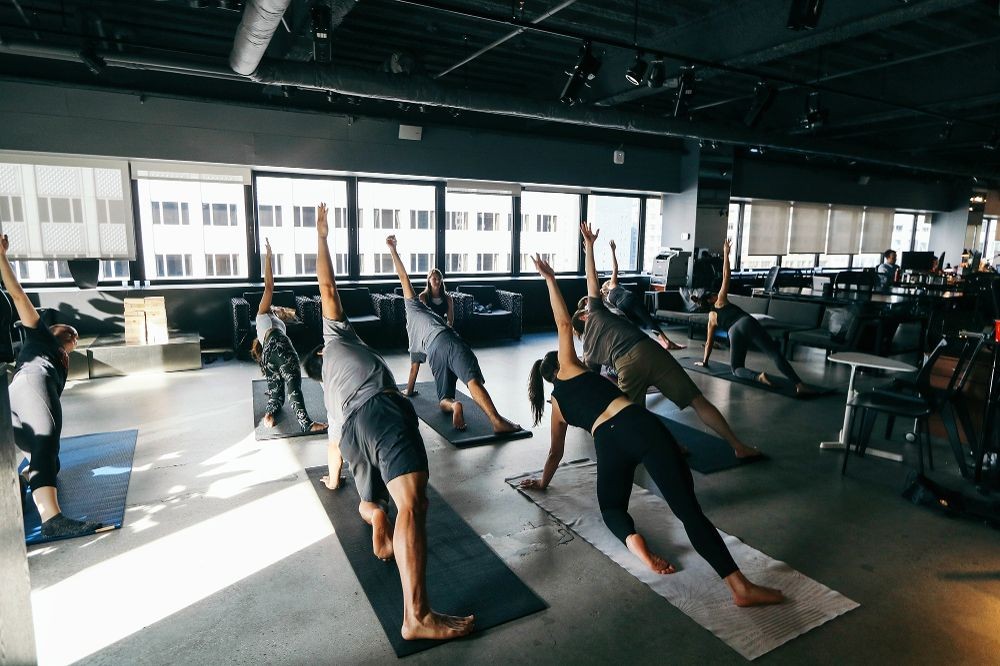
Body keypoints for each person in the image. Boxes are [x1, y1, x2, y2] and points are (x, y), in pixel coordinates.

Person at [522, 245, 783, 608]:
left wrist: (543, 482)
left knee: (612, 509)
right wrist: (550, 279)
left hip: (607, 444)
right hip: (637, 424)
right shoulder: (574, 364)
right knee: (687, 509)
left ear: (546, 381)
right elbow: (564, 323)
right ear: (559, 364)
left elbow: (555, 453)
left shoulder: (556, 404)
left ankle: (638, 549)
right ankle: (739, 587)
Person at [301, 203, 474, 641]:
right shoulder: (334, 339)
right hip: (381, 410)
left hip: (355, 434)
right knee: (414, 504)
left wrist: (333, 482)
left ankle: (377, 521)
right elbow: (327, 287)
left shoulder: (330, 393)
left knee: (383, 503)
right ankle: (416, 617)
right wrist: (322, 237)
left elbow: (337, 448)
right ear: (320, 357)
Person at [573, 226, 759, 459]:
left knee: (634, 416)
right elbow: (592, 278)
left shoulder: (588, 350)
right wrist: (590, 246)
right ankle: (738, 446)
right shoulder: (597, 311)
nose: (586, 306)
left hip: (627, 366)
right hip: (648, 351)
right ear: (583, 316)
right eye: (584, 308)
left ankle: (669, 445)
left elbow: (589, 381)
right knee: (697, 400)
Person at [1, 235, 103, 538]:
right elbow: (18, 295)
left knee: (47, 457)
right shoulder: (41, 337)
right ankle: (52, 519)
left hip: (13, 396)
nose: (75, 338)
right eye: (73, 335)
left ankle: (18, 484)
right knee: (46, 444)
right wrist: (2, 257)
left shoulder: (46, 350)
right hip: (33, 384)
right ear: (67, 338)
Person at [387, 235, 520, 435]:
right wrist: (393, 250)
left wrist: (408, 391)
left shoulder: (412, 335)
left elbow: (414, 368)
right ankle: (497, 421)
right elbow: (404, 277)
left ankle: (454, 404)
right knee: (471, 379)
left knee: (443, 400)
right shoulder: (414, 305)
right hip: (448, 340)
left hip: (433, 352)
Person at [700, 239, 812, 395]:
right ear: (711, 299)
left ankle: (759, 377)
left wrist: (705, 362)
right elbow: (726, 276)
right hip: (745, 322)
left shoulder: (711, 319)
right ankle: (799, 385)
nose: (714, 293)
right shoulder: (720, 300)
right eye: (711, 294)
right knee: (774, 353)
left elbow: (708, 343)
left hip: (733, 332)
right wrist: (726, 253)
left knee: (737, 369)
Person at [252, 239, 327, 433]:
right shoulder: (262, 313)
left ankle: (269, 415)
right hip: (281, 346)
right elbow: (269, 287)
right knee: (294, 384)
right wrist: (268, 258)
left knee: (276, 394)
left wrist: (281, 312)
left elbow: (290, 313)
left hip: (269, 355)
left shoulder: (266, 323)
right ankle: (306, 424)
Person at [602, 240, 684, 350]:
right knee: (648, 320)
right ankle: (666, 341)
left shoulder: (607, 298)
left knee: (632, 326)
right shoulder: (612, 284)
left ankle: (639, 346)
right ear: (607, 285)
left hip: (621, 307)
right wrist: (613, 251)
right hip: (629, 299)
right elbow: (615, 268)